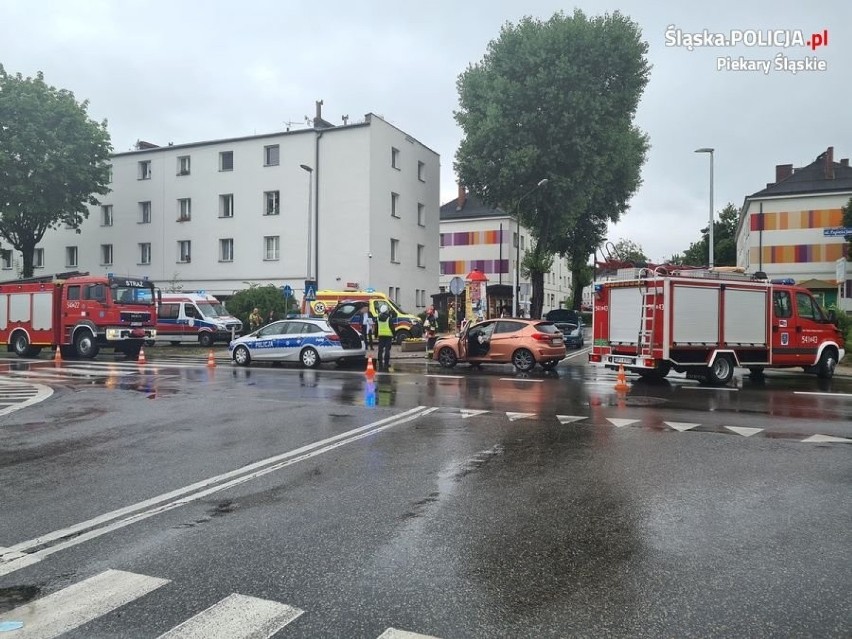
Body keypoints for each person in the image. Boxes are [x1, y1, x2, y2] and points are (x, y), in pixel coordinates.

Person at [376, 304, 396, 371]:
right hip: (388, 336)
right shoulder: (389, 318)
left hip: (381, 336)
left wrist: (376, 335)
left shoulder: (378, 318)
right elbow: (392, 328)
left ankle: (380, 361)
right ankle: (386, 363)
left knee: (380, 350)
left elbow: (376, 328)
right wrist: (394, 335)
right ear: (386, 311)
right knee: (387, 350)